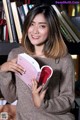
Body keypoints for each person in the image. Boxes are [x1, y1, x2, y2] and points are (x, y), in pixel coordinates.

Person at [0, 4, 75, 120]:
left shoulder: (64, 59)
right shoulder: (16, 54)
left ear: (51, 29)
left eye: (42, 26)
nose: (34, 31)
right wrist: (3, 71)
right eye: (31, 24)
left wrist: (43, 104)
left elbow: (68, 99)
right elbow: (11, 98)